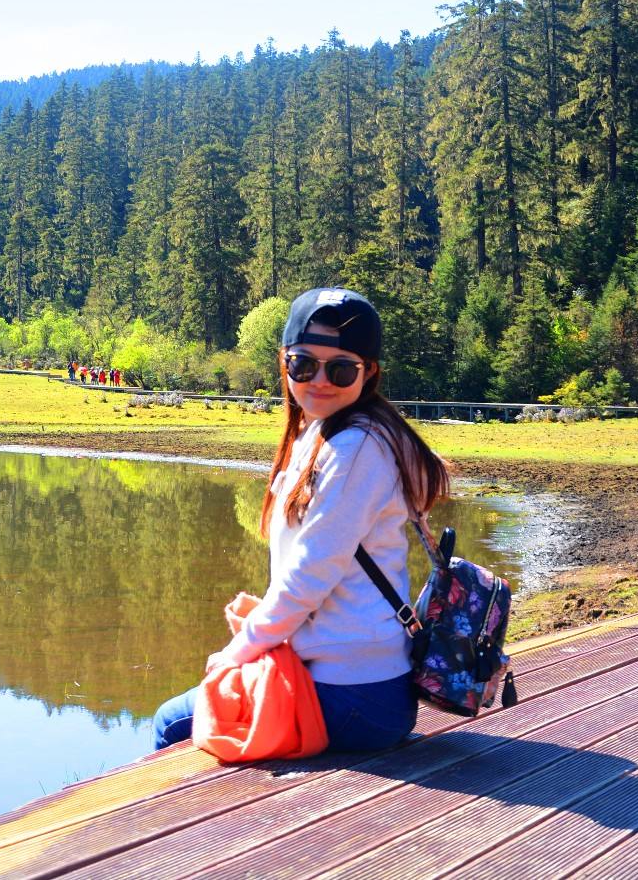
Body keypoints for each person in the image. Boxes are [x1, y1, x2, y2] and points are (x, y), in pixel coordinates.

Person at [151, 286, 451, 755]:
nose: (320, 380)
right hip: (353, 683)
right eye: (304, 364)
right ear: (285, 361)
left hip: (355, 696)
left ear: (368, 372)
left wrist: (235, 653)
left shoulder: (354, 448)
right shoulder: (325, 431)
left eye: (341, 368)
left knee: (171, 722)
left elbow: (312, 574)